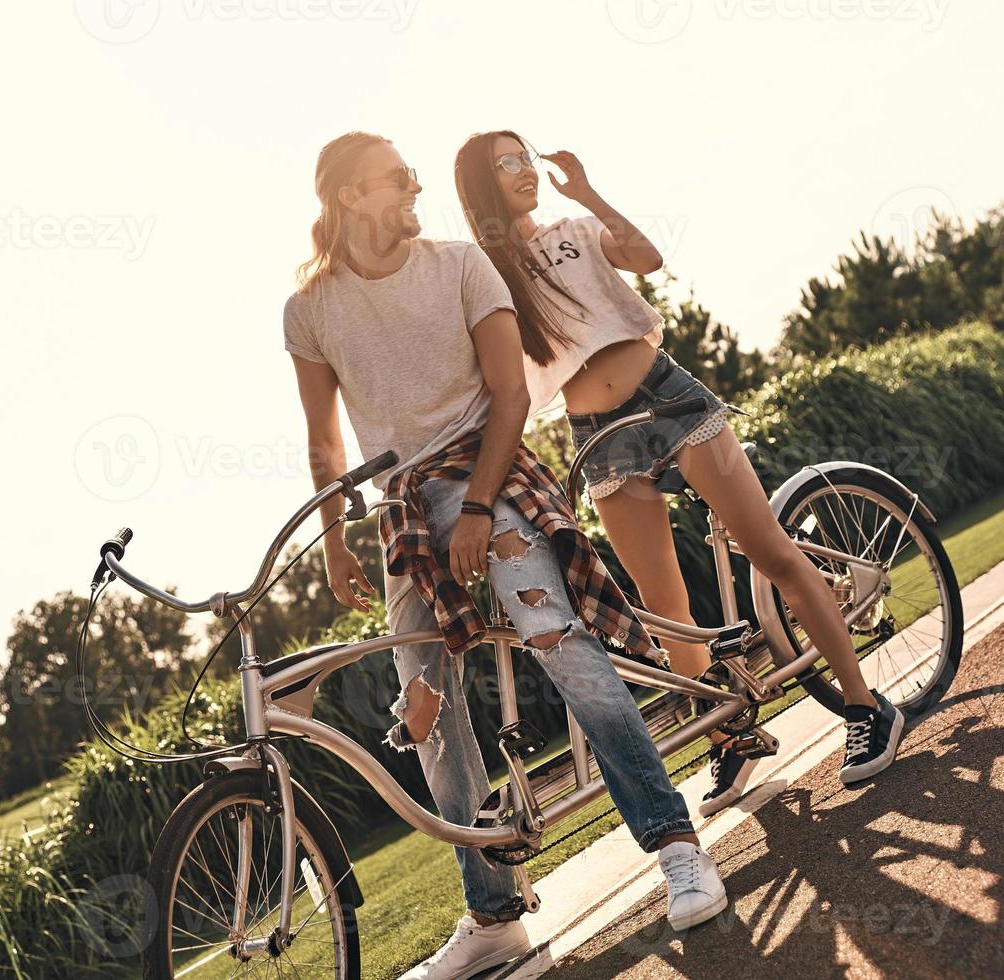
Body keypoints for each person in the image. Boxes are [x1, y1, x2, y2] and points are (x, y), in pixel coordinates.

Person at [284, 131, 725, 979]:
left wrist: (480, 507)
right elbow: (323, 439)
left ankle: (675, 847)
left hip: (491, 473)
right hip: (404, 510)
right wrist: (337, 535)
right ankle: (494, 914)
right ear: (349, 197)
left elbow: (512, 392)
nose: (414, 188)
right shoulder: (309, 309)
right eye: (396, 178)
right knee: (427, 711)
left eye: (415, 176)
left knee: (560, 643)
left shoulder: (457, 266)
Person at [453, 130, 907, 818]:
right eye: (505, 164)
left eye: (524, 157)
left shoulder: (574, 227)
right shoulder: (487, 279)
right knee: (664, 605)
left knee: (771, 550)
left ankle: (865, 706)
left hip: (668, 400)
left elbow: (647, 256)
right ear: (481, 186)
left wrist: (586, 192)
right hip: (599, 438)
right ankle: (732, 734)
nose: (523, 170)